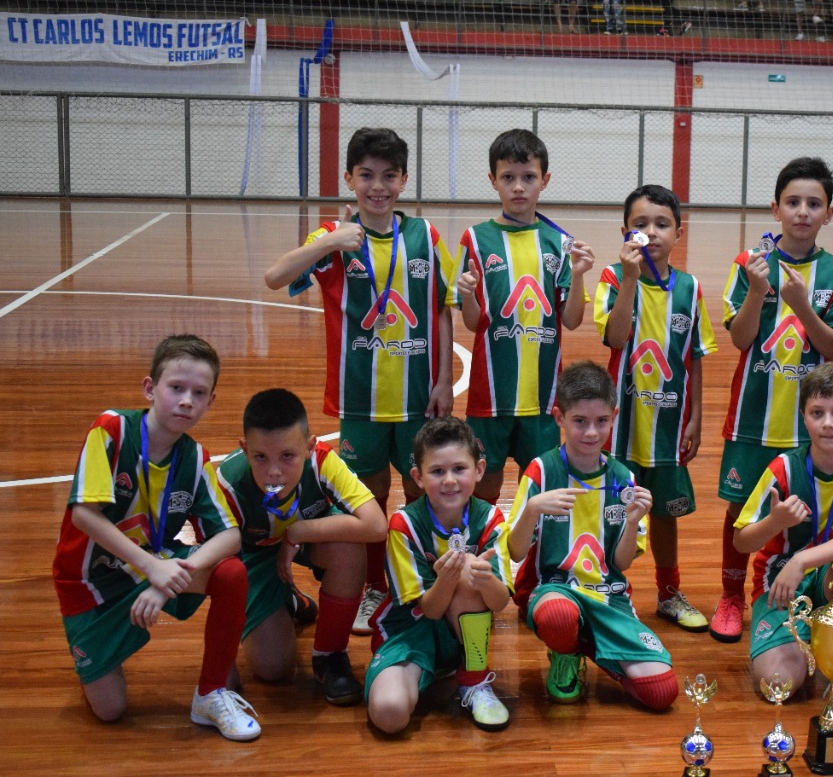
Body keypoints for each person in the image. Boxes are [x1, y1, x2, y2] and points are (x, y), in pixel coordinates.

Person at [264, 127, 456, 637]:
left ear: (404, 180)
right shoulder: (333, 235)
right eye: (366, 175)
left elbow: (441, 309)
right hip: (359, 401)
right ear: (349, 179)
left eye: (389, 176)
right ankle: (375, 585)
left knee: (421, 492)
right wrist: (331, 240)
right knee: (368, 497)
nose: (378, 186)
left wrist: (444, 379)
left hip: (418, 398)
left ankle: (418, 579)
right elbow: (275, 277)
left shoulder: (425, 235)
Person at [53, 335, 261, 741]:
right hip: (89, 582)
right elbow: (83, 514)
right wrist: (153, 568)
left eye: (198, 393)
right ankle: (99, 656)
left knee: (230, 572)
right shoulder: (111, 429)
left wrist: (167, 578)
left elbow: (230, 535)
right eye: (176, 387)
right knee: (110, 710)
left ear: (211, 402)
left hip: (152, 565)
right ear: (150, 388)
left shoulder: (195, 458)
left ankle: (210, 692)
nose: (186, 401)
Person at [711, 156, 833, 643]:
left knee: (805, 510)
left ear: (828, 213)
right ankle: (731, 597)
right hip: (752, 417)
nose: (802, 211)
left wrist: (801, 307)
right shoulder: (749, 263)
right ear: (775, 209)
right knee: (740, 511)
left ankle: (800, 590)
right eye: (792, 202)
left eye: (814, 203)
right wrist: (758, 291)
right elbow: (740, 338)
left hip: (809, 427)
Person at [506, 361, 680, 710]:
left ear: (614, 417)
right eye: (580, 421)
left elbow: (621, 563)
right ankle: (566, 651)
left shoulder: (623, 478)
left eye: (601, 421)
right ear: (559, 418)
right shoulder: (541, 471)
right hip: (554, 590)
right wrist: (532, 509)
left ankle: (590, 643)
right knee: (559, 617)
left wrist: (632, 521)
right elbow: (514, 551)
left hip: (607, 595)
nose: (590, 432)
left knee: (662, 693)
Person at [595, 185, 718, 633]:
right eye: (641, 224)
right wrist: (630, 278)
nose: (651, 232)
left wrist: (697, 416)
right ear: (625, 232)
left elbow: (696, 357)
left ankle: (668, 593)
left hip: (669, 424)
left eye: (662, 224)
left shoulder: (690, 287)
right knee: (614, 509)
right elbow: (615, 337)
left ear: (678, 233)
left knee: (665, 513)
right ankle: (609, 589)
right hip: (620, 427)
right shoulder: (613, 278)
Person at [733, 362, 833, 709]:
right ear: (803, 417)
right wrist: (775, 522)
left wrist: (802, 560)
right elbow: (742, 541)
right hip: (782, 582)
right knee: (779, 686)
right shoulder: (783, 468)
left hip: (828, 575)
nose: (828, 423)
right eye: (817, 413)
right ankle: (806, 639)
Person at [218, 389, 387, 706]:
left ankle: (330, 656)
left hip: (307, 540)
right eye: (260, 457)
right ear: (244, 449)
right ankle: (287, 598)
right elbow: (218, 573)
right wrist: (221, 658)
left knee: (349, 546)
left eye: (287, 456)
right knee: (271, 669)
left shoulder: (322, 461)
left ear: (309, 447)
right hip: (253, 554)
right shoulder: (227, 485)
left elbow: (377, 526)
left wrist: (297, 532)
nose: (274, 471)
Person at [453, 128, 594, 506]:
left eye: (528, 177)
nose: (518, 187)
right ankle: (485, 540)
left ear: (544, 180)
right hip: (490, 394)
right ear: (493, 180)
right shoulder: (474, 239)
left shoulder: (560, 243)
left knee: (539, 487)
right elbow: (472, 323)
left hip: (543, 396)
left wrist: (579, 274)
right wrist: (467, 296)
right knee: (484, 486)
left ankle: (532, 545)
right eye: (508, 177)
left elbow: (572, 320)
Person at [365, 417, 514, 732]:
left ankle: (474, 679)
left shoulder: (491, 519)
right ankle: (430, 669)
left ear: (479, 470)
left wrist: (485, 580)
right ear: (417, 477)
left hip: (459, 631)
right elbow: (430, 610)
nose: (449, 480)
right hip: (411, 632)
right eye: (437, 471)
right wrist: (447, 578)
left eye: (459, 468)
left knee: (469, 570)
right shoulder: (403, 525)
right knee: (389, 714)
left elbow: (500, 602)